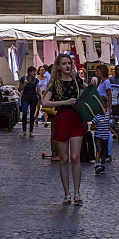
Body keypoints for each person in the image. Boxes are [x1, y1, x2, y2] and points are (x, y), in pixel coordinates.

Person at [44, 53, 86, 204]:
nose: (67, 66)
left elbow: (87, 93)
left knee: (75, 157)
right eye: (64, 63)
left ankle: (77, 192)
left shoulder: (77, 81)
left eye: (69, 63)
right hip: (62, 119)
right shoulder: (55, 83)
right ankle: (66, 193)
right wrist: (63, 102)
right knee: (64, 159)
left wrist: (94, 83)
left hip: (76, 119)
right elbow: (45, 102)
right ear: (59, 66)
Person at [18, 66, 40, 138]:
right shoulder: (23, 79)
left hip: (33, 97)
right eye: (33, 72)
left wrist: (41, 97)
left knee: (32, 114)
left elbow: (38, 89)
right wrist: (24, 84)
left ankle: (31, 131)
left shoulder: (36, 80)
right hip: (25, 97)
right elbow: (19, 89)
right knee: (24, 112)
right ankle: (24, 131)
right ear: (29, 72)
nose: (35, 73)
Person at [91, 107, 113, 174]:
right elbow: (91, 127)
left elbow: (108, 126)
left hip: (105, 137)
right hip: (98, 136)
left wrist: (114, 133)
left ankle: (102, 166)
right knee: (99, 150)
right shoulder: (96, 117)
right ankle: (97, 164)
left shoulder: (107, 116)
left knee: (104, 152)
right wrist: (95, 127)